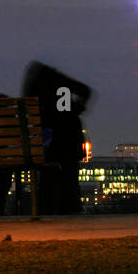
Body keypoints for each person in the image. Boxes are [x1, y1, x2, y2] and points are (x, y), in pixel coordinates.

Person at [22, 61, 92, 214]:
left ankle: (48, 207)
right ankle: (71, 206)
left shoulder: (33, 92)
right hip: (68, 146)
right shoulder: (61, 84)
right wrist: (76, 109)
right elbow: (85, 91)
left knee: (49, 174)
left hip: (45, 148)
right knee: (68, 129)